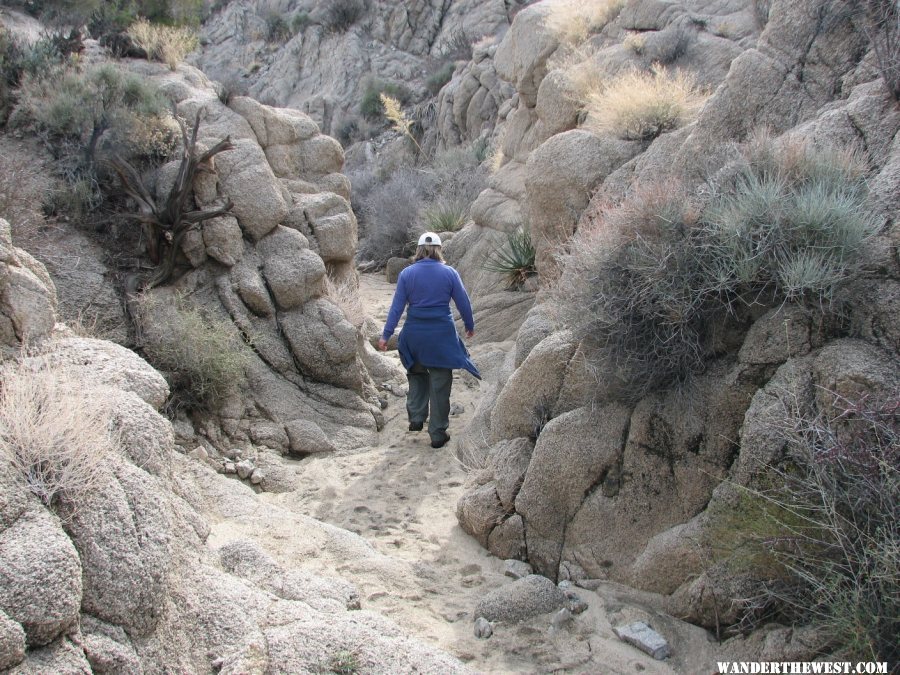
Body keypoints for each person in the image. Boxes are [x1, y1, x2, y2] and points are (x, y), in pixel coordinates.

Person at [378, 232, 480, 449]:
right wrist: (470, 326)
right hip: (441, 335)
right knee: (440, 384)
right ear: (439, 249)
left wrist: (386, 335)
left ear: (418, 250)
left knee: (417, 374)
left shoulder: (407, 274)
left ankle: (416, 417)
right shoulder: (449, 273)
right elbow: (464, 303)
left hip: (414, 335)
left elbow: (396, 308)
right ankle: (437, 433)